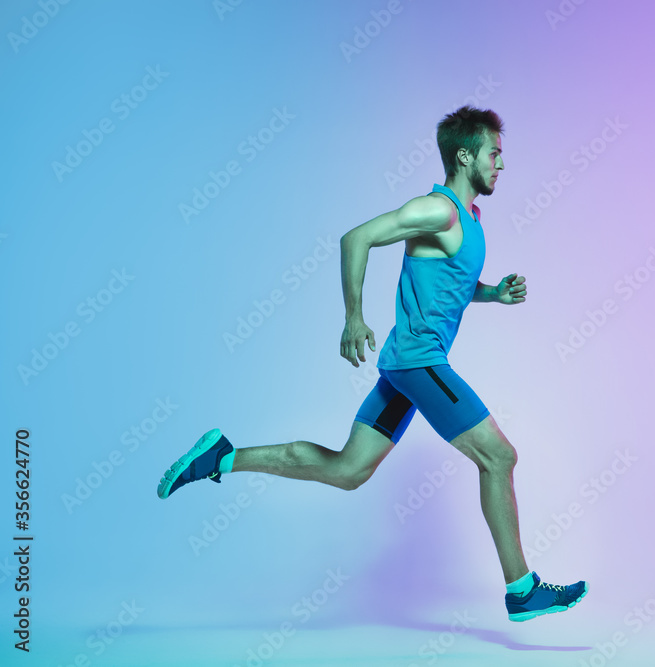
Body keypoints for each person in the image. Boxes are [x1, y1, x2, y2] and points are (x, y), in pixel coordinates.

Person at [156, 105, 588, 622]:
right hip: (418, 362)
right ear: (465, 155)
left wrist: (492, 293)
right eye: (494, 154)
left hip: (408, 367)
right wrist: (353, 317)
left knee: (348, 470)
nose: (502, 164)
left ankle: (222, 458)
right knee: (499, 457)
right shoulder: (440, 210)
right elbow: (355, 238)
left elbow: (446, 284)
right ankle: (522, 590)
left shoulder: (470, 218)